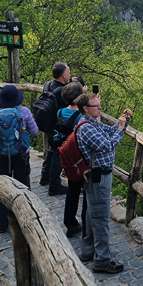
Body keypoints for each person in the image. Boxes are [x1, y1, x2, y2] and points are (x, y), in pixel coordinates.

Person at [75, 92, 132, 274]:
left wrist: (122, 122)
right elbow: (108, 145)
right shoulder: (86, 128)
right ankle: (102, 260)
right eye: (96, 106)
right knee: (100, 218)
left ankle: (88, 251)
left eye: (100, 105)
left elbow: (109, 132)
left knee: (92, 214)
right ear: (86, 109)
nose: (100, 108)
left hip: (97, 176)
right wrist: (121, 129)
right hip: (98, 178)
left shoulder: (92, 123)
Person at [0, 84, 38, 233]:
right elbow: (34, 131)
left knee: (1, 187)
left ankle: (2, 223)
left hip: (2, 155)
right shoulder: (23, 111)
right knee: (23, 186)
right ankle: (26, 219)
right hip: (21, 154)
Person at [55, 81, 87, 237]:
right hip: (80, 158)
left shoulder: (60, 112)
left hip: (67, 155)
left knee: (72, 191)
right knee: (86, 191)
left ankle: (70, 223)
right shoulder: (82, 116)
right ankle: (86, 225)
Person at [39, 62, 72, 195]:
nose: (70, 75)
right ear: (63, 75)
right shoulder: (61, 91)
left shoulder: (48, 84)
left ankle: (44, 177)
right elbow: (71, 101)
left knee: (51, 150)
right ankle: (55, 185)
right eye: (68, 73)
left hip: (47, 124)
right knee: (57, 154)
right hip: (56, 127)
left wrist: (71, 82)